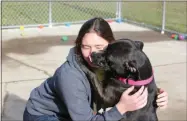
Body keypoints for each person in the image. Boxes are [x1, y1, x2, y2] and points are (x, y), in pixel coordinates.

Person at [23, 17, 168, 121]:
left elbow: (135, 82)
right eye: (85, 47)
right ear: (78, 44)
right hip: (45, 115)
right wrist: (121, 108)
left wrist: (157, 96)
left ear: (111, 45)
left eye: (99, 48)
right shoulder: (69, 76)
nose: (92, 54)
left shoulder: (112, 61)